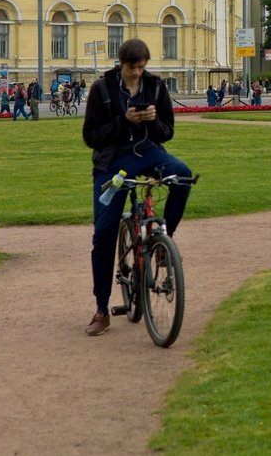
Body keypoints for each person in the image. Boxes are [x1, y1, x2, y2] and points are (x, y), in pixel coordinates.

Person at [82, 38, 194, 337]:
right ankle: (101, 309)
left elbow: (167, 132)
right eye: (132, 68)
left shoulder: (156, 87)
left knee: (183, 176)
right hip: (114, 161)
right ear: (122, 63)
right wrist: (124, 121)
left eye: (142, 68)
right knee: (103, 234)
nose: (137, 73)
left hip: (149, 153)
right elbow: (91, 137)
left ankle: (165, 240)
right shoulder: (102, 89)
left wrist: (152, 121)